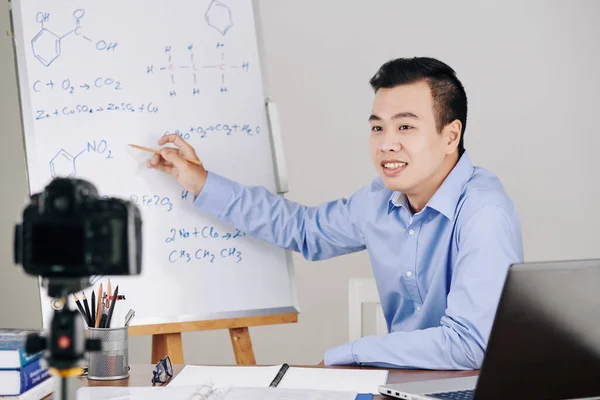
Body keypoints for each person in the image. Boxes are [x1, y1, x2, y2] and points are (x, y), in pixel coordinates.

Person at [147, 57, 524, 370]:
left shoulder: (483, 213)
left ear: (450, 136)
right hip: (403, 385)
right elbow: (304, 229)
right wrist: (201, 182)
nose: (387, 144)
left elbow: (469, 345)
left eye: (405, 126)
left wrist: (349, 355)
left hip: (472, 390)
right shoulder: (379, 200)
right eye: (378, 127)